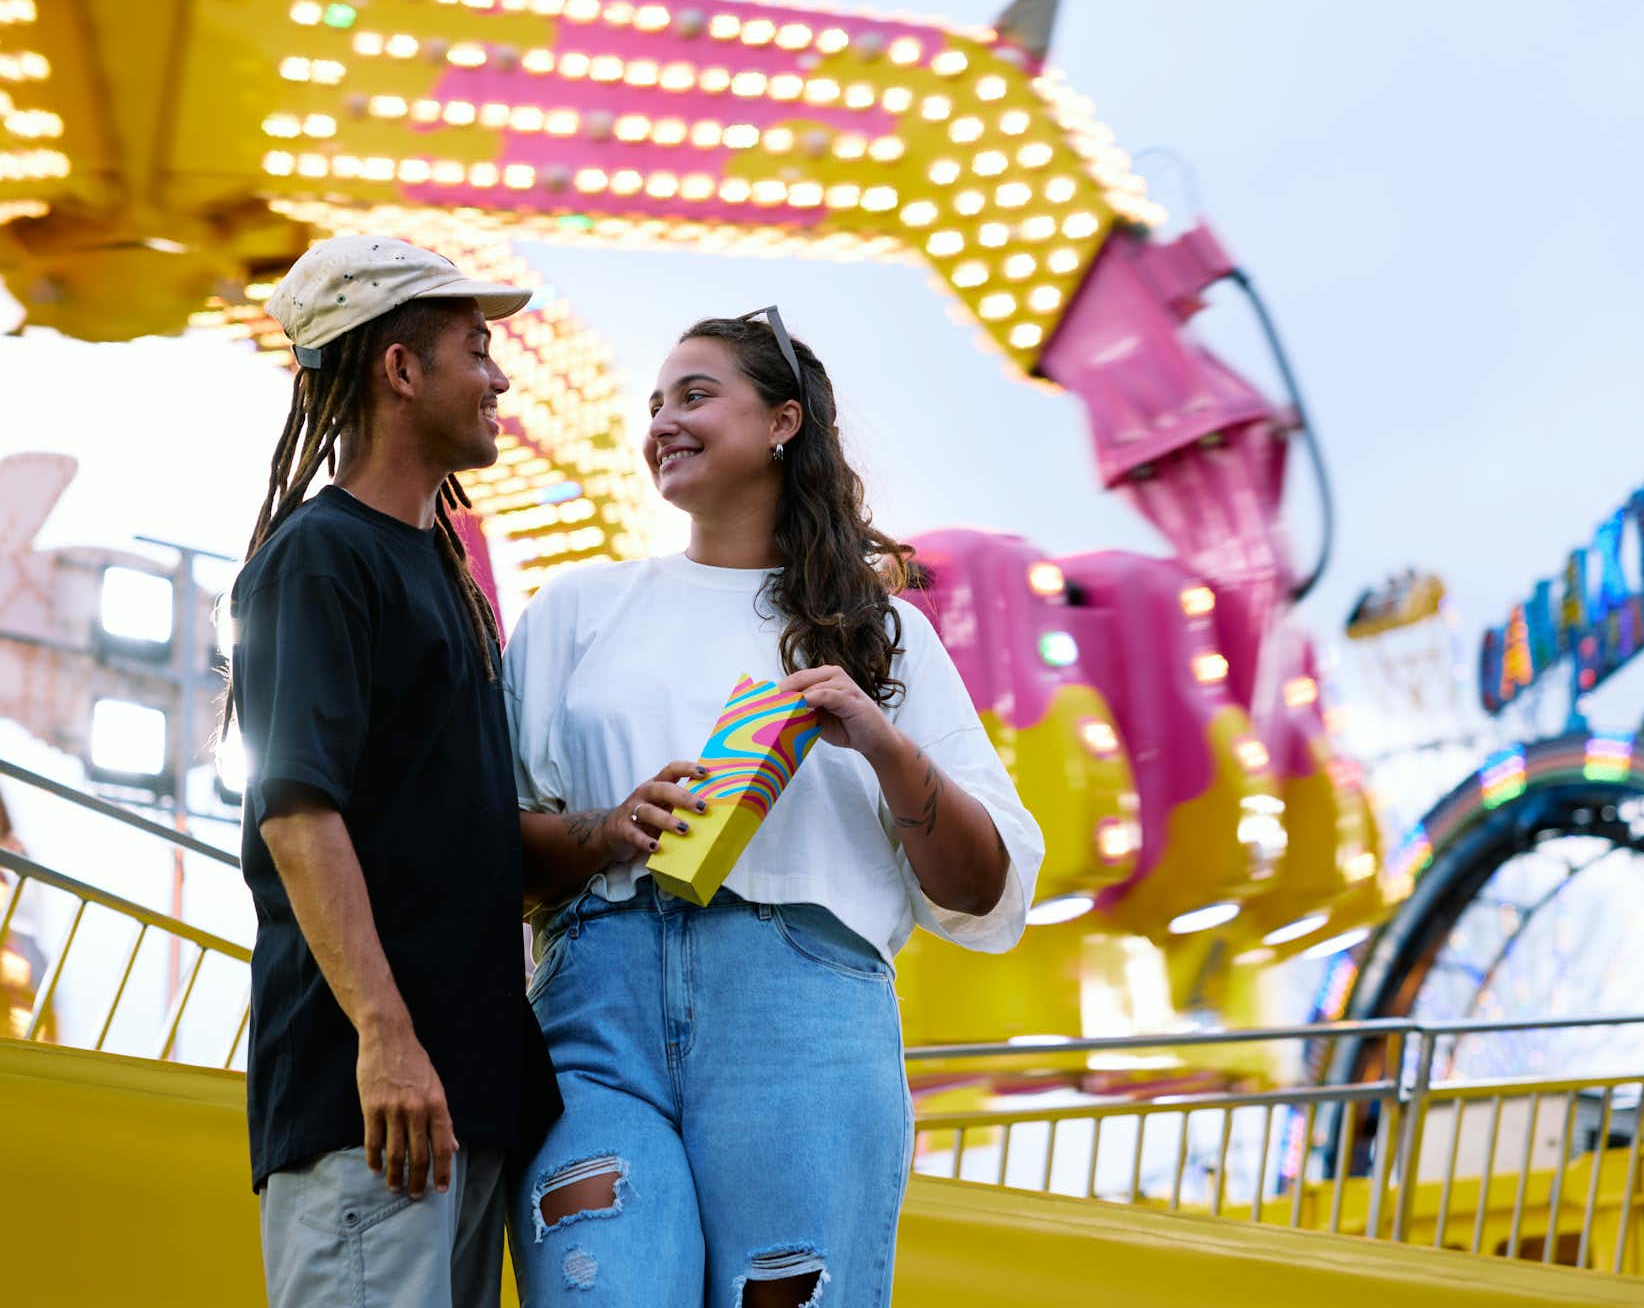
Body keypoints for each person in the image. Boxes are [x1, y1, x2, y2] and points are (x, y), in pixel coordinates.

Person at [503, 307, 1044, 1307]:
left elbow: (987, 887)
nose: (661, 421)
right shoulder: (571, 613)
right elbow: (485, 845)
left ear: (784, 421)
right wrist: (606, 828)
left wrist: (878, 740)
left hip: (802, 1026)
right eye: (654, 403)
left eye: (694, 395)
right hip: (593, 1016)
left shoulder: (884, 637)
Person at [228, 236, 560, 1308]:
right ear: (400, 370)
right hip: (375, 1105)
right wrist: (385, 1038)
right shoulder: (322, 555)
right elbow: (296, 811)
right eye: (476, 348)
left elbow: (447, 834)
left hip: (455, 1104)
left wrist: (604, 834)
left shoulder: (438, 571)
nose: (500, 377)